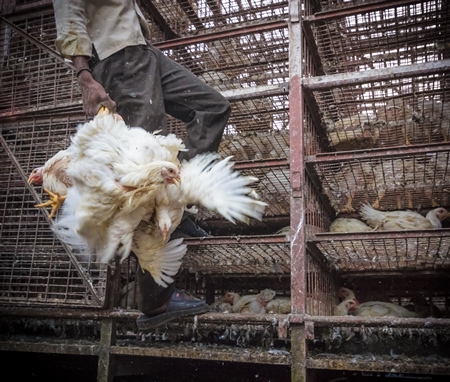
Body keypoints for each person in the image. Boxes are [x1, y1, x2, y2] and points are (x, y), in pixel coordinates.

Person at [52, 0, 231, 330]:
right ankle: (154, 300)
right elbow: (68, 11)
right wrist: (84, 76)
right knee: (145, 172)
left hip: (144, 54)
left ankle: (178, 206)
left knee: (212, 107)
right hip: (116, 61)